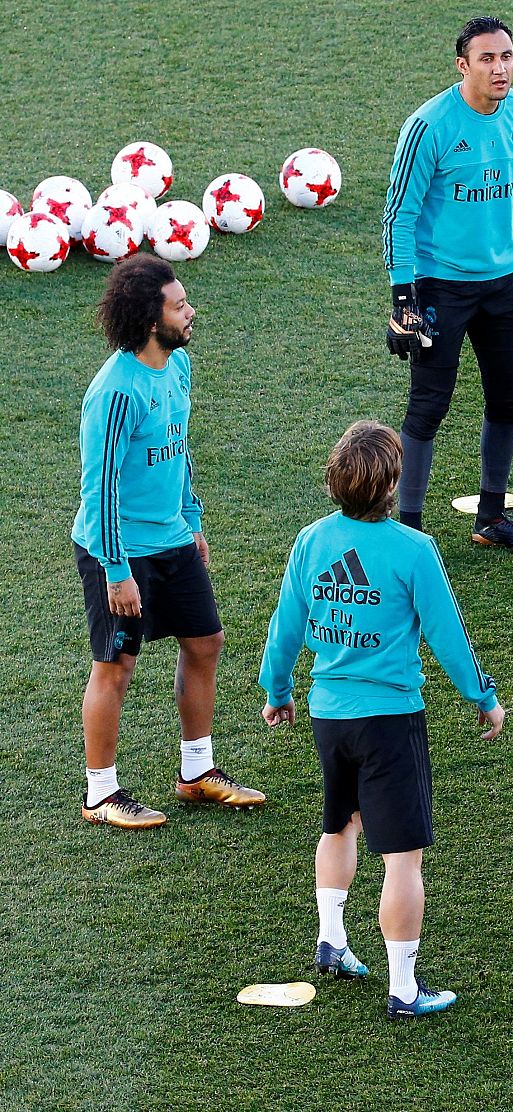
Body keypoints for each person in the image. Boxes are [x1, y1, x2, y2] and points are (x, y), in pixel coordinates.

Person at [259, 421, 505, 1018]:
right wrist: (483, 696)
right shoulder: (412, 550)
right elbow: (449, 636)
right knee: (402, 856)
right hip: (390, 720)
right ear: (392, 484)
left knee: (340, 823)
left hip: (327, 714)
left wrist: (277, 689)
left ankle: (333, 943)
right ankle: (403, 987)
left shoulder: (312, 541)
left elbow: (284, 626)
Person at [72, 254, 265, 829]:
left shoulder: (177, 368)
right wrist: (115, 569)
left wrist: (193, 519)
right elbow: (99, 487)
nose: (191, 312)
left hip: (173, 540)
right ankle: (101, 795)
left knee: (205, 642)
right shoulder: (116, 393)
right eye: (179, 306)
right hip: (120, 548)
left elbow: (177, 452)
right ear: (149, 320)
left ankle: (196, 773)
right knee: (116, 665)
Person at [381, 15, 513, 550]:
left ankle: (492, 518)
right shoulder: (429, 126)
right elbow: (400, 215)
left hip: (501, 285)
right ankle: (409, 529)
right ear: (463, 66)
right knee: (428, 405)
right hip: (440, 286)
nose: (500, 68)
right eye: (487, 59)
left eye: (506, 57)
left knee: (508, 398)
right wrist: (402, 296)